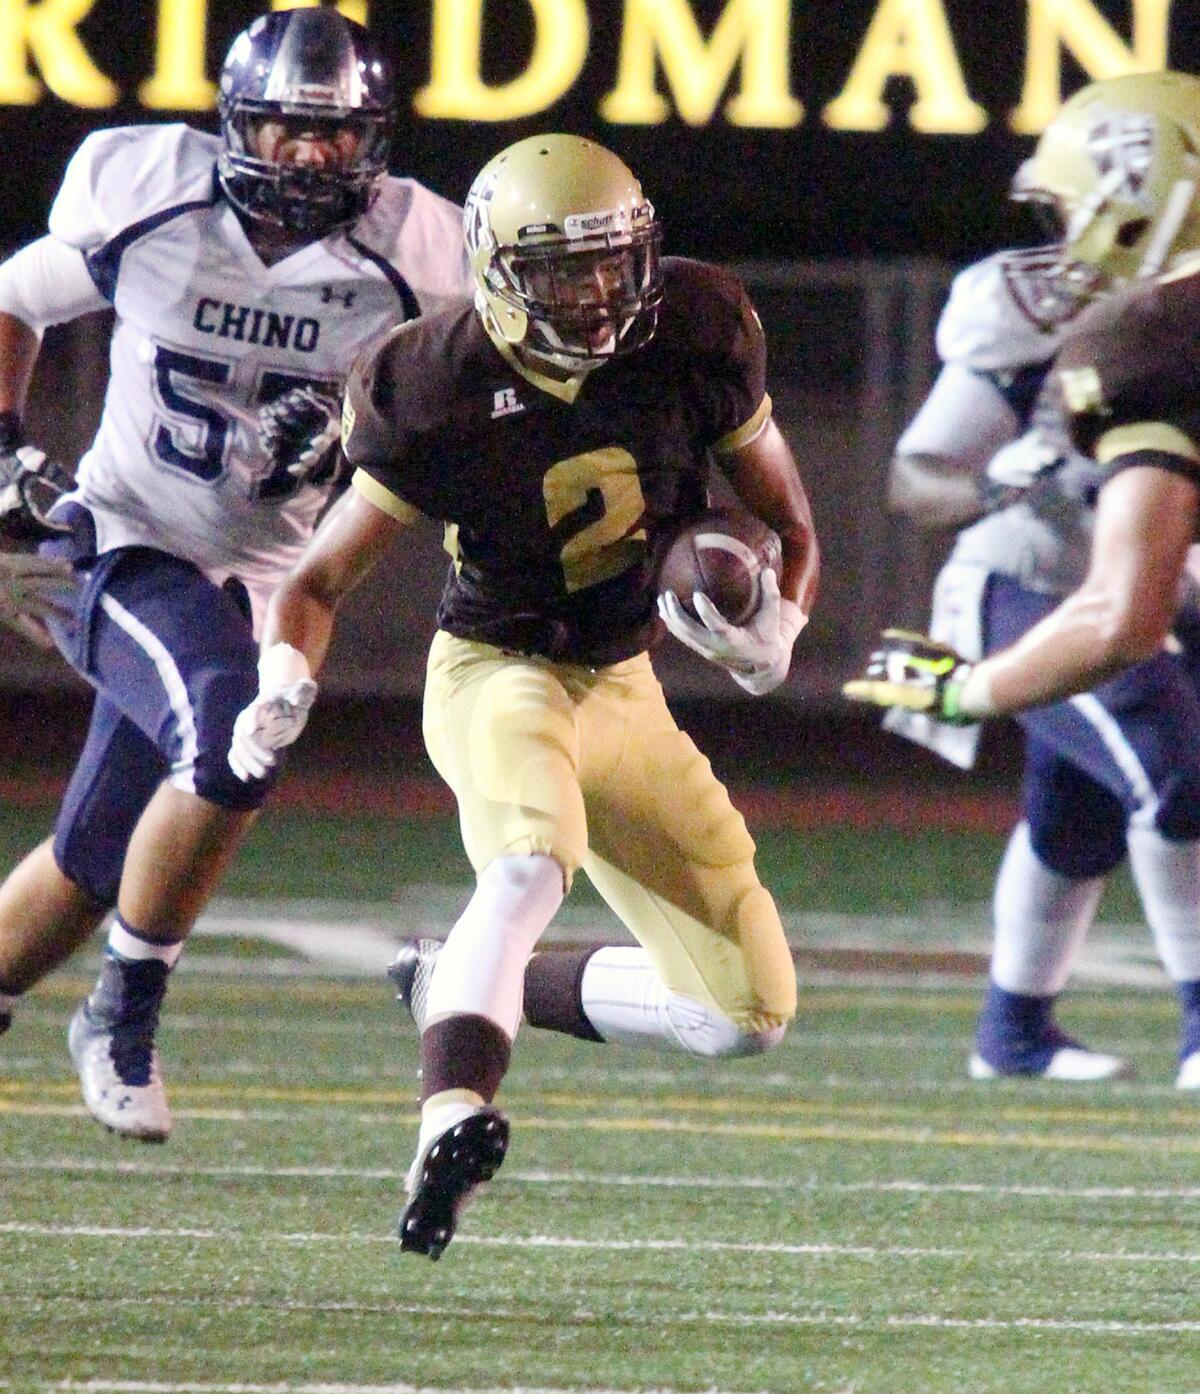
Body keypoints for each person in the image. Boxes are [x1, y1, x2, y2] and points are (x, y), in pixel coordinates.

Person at [229, 132, 819, 1258]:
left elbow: (788, 524)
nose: (594, 298)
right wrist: (283, 680)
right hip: (498, 667)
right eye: (560, 270)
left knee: (744, 1015)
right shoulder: (432, 379)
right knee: (526, 864)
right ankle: (451, 1114)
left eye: (609, 263)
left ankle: (445, 981)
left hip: (625, 684)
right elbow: (315, 577)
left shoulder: (698, 328)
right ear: (496, 269)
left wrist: (779, 626)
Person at [0, 7, 470, 1141]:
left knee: (96, 853)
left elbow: (448, 419)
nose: (309, 155)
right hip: (121, 538)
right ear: (232, 124)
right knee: (228, 739)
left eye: (335, 134)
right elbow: (14, 296)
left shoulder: (421, 255)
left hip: (269, 580)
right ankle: (124, 1015)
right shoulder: (153, 197)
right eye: (281, 128)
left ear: (377, 140)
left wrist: (363, 426)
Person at [845, 71, 1200, 1089]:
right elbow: (921, 476)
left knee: (1075, 812)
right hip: (1039, 581)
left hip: (1159, 589)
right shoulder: (1048, 311)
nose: (1060, 229)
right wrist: (1002, 484)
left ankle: (1013, 1033)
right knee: (1175, 766)